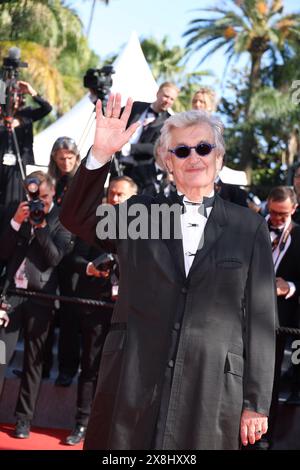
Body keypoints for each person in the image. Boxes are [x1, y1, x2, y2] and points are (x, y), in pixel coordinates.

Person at [60, 94, 276, 450]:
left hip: (210, 390)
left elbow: (261, 318)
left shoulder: (247, 227)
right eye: (182, 151)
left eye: (204, 148)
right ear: (167, 162)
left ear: (218, 158)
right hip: (134, 381)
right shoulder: (141, 214)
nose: (194, 157)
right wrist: (99, 155)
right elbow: (75, 218)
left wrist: (255, 402)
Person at [65, 176, 138, 445]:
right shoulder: (96, 224)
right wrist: (90, 268)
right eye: (113, 194)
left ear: (135, 198)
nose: (116, 199)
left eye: (122, 195)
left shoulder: (148, 229)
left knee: (126, 373)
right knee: (91, 367)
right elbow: (72, 258)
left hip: (132, 313)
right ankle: (82, 423)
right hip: (96, 307)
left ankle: (117, 430)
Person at [0, 171, 71, 439]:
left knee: (33, 362)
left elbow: (54, 259)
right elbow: (3, 253)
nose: (37, 203)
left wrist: (40, 227)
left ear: (52, 193)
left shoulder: (63, 220)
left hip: (41, 299)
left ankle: (23, 420)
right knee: (0, 357)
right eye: (33, 197)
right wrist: (16, 223)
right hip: (11, 297)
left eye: (43, 197)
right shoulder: (16, 211)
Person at [262, 186, 300, 448]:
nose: (277, 218)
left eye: (283, 214)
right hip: (243, 318)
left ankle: (266, 438)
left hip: (281, 325)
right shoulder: (249, 229)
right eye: (273, 213)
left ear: (294, 209)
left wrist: (291, 287)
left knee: (272, 384)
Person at [114, 82, 179, 192]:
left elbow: (156, 146)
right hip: (117, 162)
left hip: (140, 171)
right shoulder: (137, 106)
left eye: (172, 99)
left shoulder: (170, 122)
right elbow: (114, 117)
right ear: (157, 93)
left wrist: (129, 148)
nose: (168, 101)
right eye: (166, 96)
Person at [0, 81, 52, 206]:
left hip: (20, 169)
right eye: (10, 96)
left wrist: (32, 92)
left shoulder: (26, 114)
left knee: (19, 203)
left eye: (16, 96)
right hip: (2, 169)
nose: (13, 100)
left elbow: (47, 108)